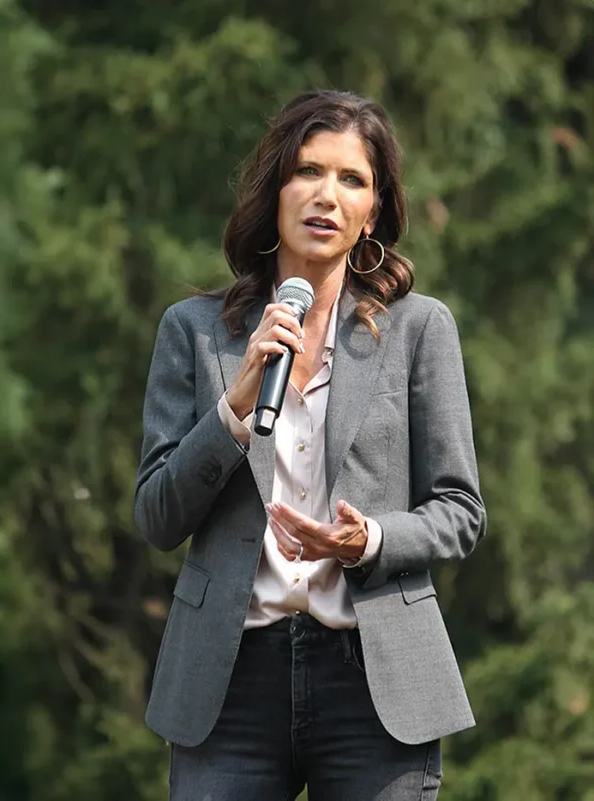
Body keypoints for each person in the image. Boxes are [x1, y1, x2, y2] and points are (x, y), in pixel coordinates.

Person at [134, 89, 486, 800]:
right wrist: (233, 409)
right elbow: (157, 515)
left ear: (374, 212)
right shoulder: (195, 331)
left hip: (374, 674)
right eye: (307, 171)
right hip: (228, 681)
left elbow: (460, 510)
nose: (327, 195)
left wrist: (370, 539)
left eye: (351, 179)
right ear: (275, 191)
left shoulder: (419, 330)